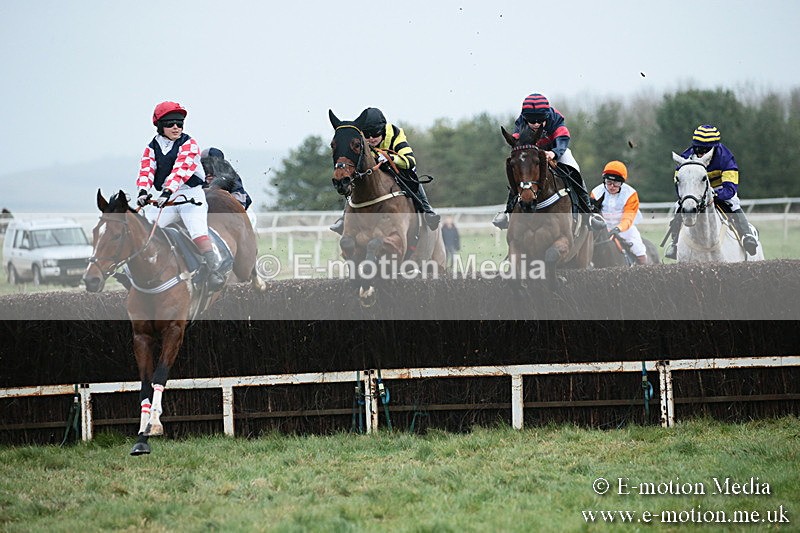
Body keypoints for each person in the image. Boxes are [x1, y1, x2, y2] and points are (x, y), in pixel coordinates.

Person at [135, 101, 225, 290]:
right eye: (170, 123)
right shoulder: (151, 147)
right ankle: (138, 273)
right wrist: (143, 191)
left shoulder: (189, 144)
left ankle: (214, 272)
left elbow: (180, 171)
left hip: (191, 197)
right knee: (146, 231)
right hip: (167, 199)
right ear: (160, 126)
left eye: (179, 123)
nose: (176, 127)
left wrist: (167, 191)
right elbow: (146, 170)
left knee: (197, 231)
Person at [493, 93, 605, 231]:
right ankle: (508, 212)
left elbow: (562, 137)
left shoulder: (555, 118)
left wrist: (554, 153)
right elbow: (518, 140)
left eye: (539, 121)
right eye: (531, 121)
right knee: (521, 174)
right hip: (533, 154)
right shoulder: (521, 121)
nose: (535, 124)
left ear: (546, 117)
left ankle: (589, 213)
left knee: (574, 169)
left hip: (556, 150)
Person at [330, 107, 440, 234]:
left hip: (399, 167)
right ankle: (344, 218)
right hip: (374, 171)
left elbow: (410, 161)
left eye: (376, 133)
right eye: (367, 135)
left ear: (383, 130)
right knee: (356, 180)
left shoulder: (395, 135)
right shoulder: (359, 141)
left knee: (411, 177)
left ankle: (427, 210)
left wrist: (391, 158)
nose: (371, 138)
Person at [664, 124, 758, 259]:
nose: (701, 153)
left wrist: (714, 195)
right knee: (678, 206)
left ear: (715, 148)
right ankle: (675, 243)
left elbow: (730, 188)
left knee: (733, 204)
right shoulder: (686, 157)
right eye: (698, 149)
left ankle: (747, 235)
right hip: (696, 192)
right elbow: (678, 182)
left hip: (720, 189)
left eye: (706, 150)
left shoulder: (726, 158)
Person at [590, 161, 649, 265]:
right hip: (601, 229)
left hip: (625, 229)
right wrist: (604, 228)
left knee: (639, 251)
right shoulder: (596, 192)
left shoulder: (631, 194)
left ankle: (644, 270)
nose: (612, 186)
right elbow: (594, 214)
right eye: (609, 182)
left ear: (622, 183)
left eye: (616, 183)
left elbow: (628, 218)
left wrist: (618, 228)